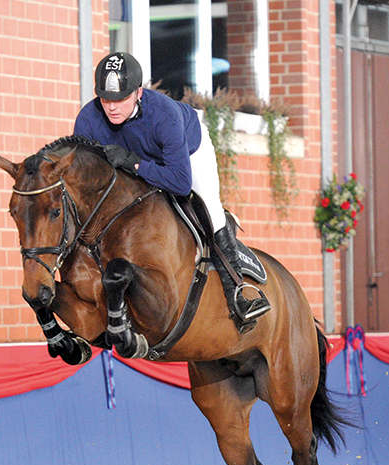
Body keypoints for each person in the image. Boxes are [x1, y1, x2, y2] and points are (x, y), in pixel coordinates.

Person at [73, 51, 270, 332]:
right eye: (106, 99)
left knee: (209, 209)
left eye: (121, 99)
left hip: (188, 154)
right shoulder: (88, 119)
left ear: (138, 92)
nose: (112, 107)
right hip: (136, 162)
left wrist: (134, 163)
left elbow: (179, 182)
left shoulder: (164, 114)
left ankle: (238, 292)